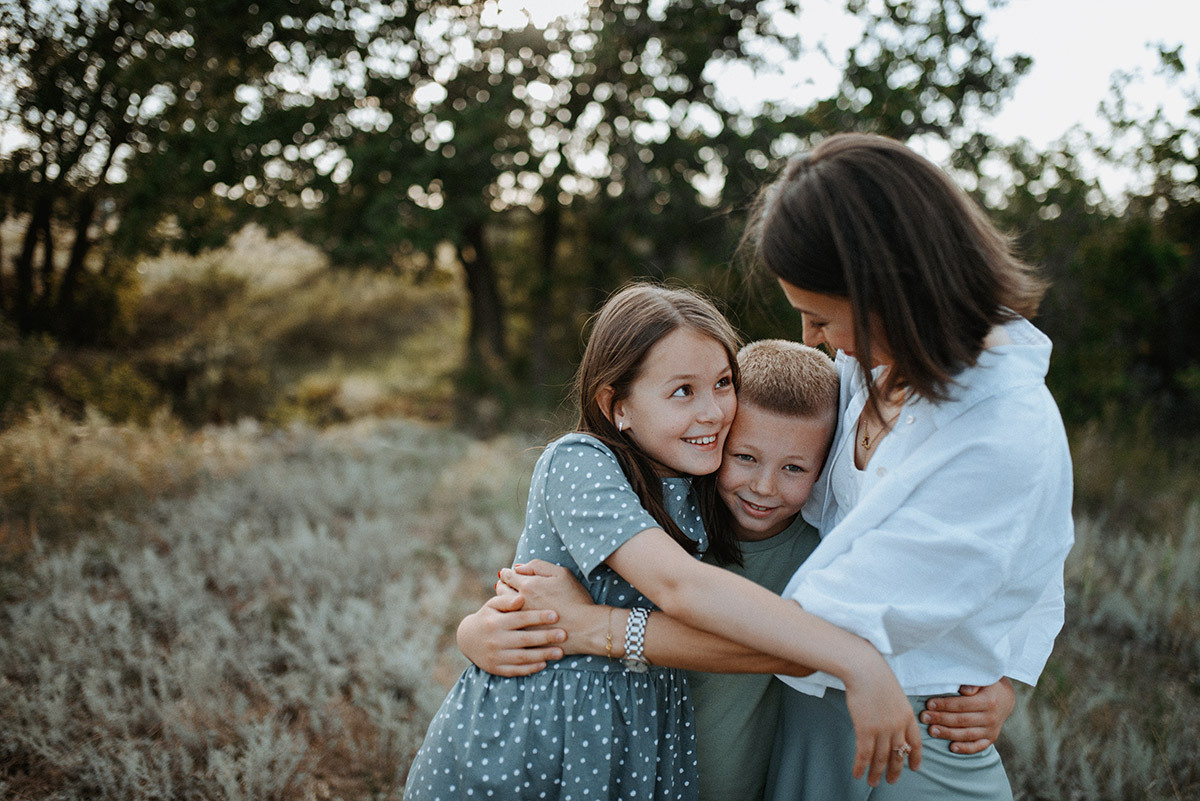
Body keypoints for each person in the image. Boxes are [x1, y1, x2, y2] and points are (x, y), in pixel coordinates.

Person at [402, 283, 920, 801]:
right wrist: (474, 629)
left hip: (640, 749)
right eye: (682, 391)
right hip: (540, 736)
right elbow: (679, 586)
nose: (714, 412)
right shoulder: (580, 461)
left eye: (722, 383)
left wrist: (993, 683)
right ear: (617, 407)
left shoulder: (705, 484)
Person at [463, 339, 1014, 801]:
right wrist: (476, 633)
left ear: (824, 472)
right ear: (716, 438)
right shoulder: (675, 532)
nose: (763, 486)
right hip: (631, 774)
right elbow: (546, 592)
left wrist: (1002, 683)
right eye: (744, 457)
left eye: (795, 468)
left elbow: (957, 587)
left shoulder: (825, 558)